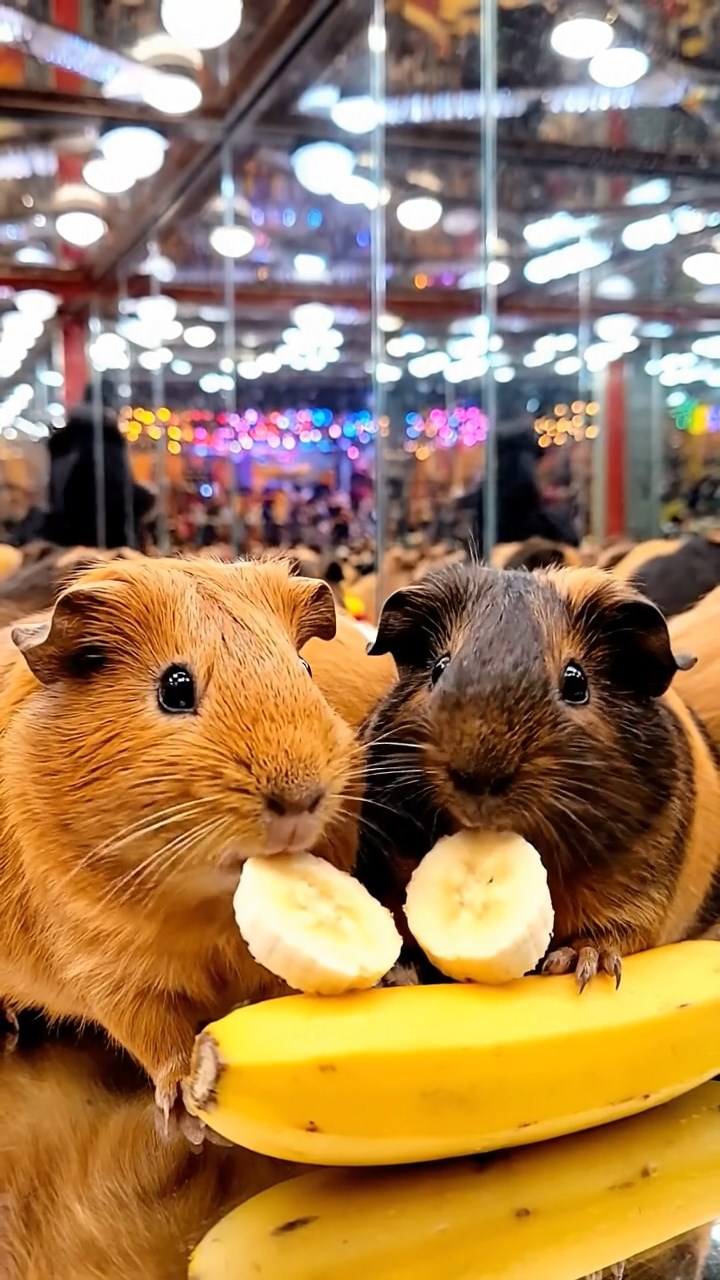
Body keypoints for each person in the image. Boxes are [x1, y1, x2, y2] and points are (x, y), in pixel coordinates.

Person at [39, 384, 153, 550]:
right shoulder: (105, 440)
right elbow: (116, 493)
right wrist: (146, 497)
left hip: (65, 540)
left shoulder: (65, 441)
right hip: (104, 544)